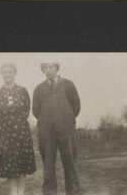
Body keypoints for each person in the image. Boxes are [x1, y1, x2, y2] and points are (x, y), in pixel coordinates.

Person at [32, 63, 81, 195]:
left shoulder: (68, 85)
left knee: (69, 161)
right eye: (45, 68)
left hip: (66, 127)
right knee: (48, 165)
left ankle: (73, 192)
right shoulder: (39, 88)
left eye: (51, 67)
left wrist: (66, 119)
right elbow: (36, 111)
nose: (48, 70)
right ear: (43, 70)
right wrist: (47, 120)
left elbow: (76, 106)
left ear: (56, 68)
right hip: (46, 130)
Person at [0, 63, 36, 195]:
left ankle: (20, 192)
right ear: (1, 74)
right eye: (4, 72)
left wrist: (17, 121)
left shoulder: (22, 91)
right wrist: (4, 122)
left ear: (14, 73)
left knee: (21, 161)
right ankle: (12, 192)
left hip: (21, 131)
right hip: (5, 132)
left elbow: (27, 109)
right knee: (9, 162)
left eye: (10, 72)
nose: (7, 74)